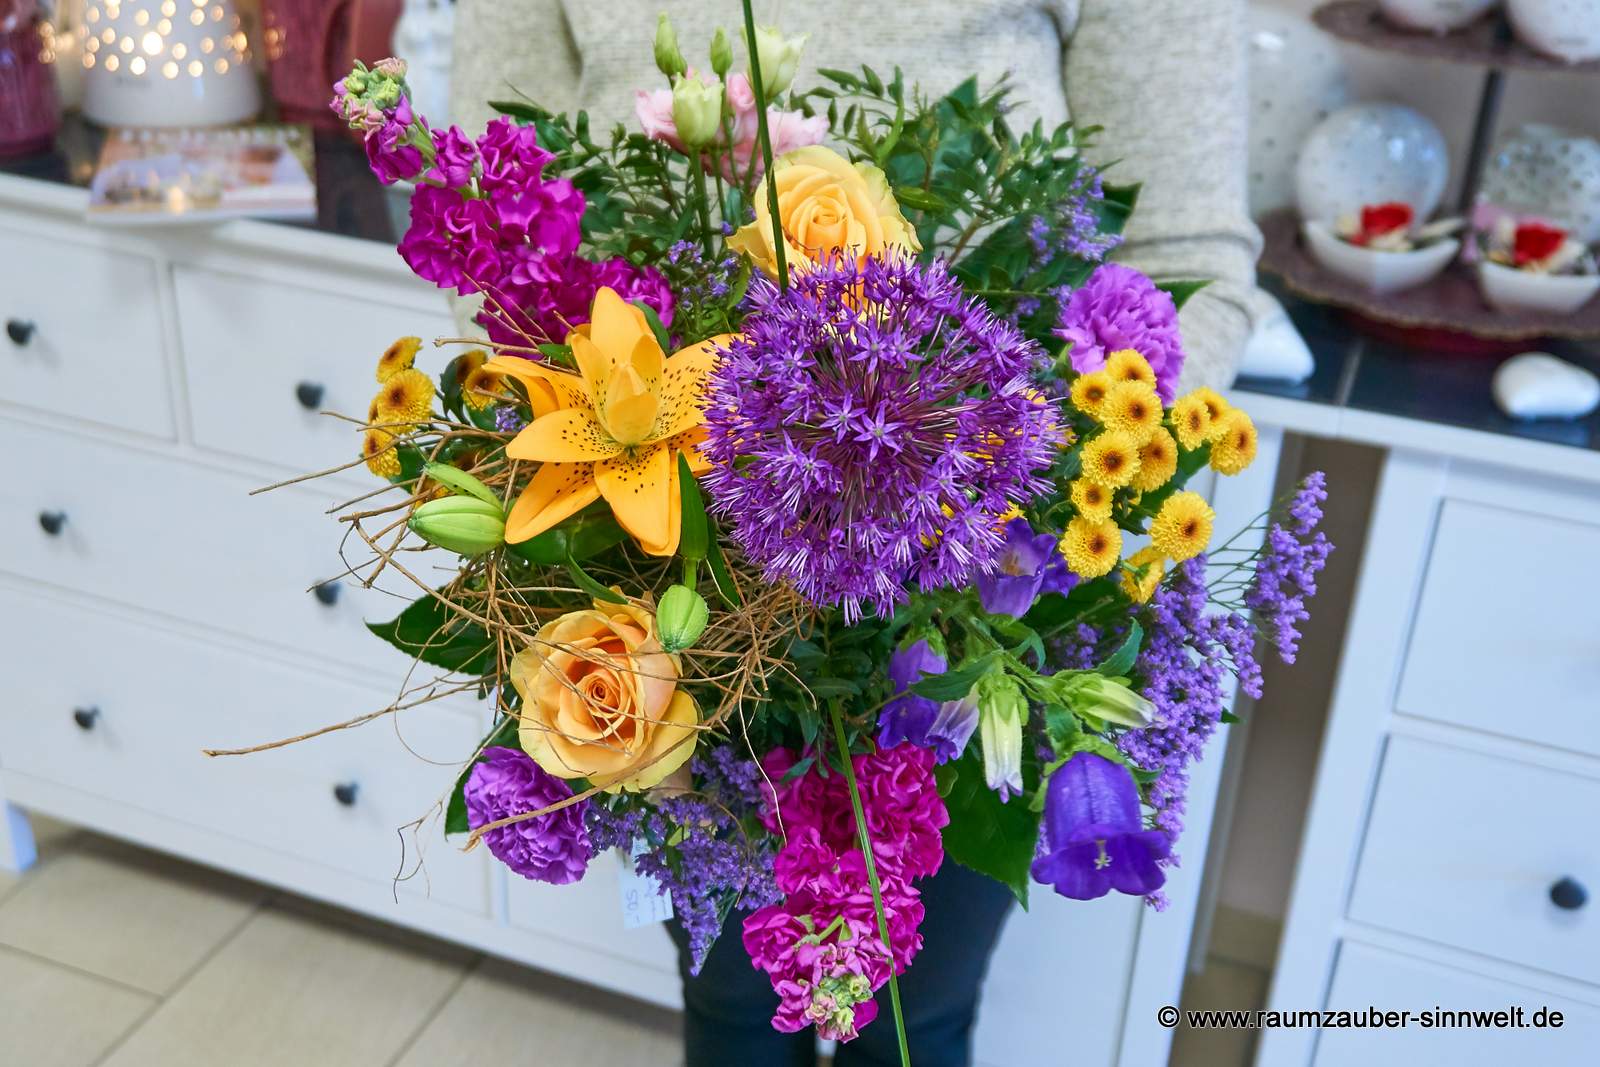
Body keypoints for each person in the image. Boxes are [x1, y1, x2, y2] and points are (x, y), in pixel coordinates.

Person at [448, 3, 1258, 1062]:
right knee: (735, 1008)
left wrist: (1000, 486)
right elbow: (490, 238)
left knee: (917, 1021)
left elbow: (1188, 257)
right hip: (679, 603)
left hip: (989, 575)